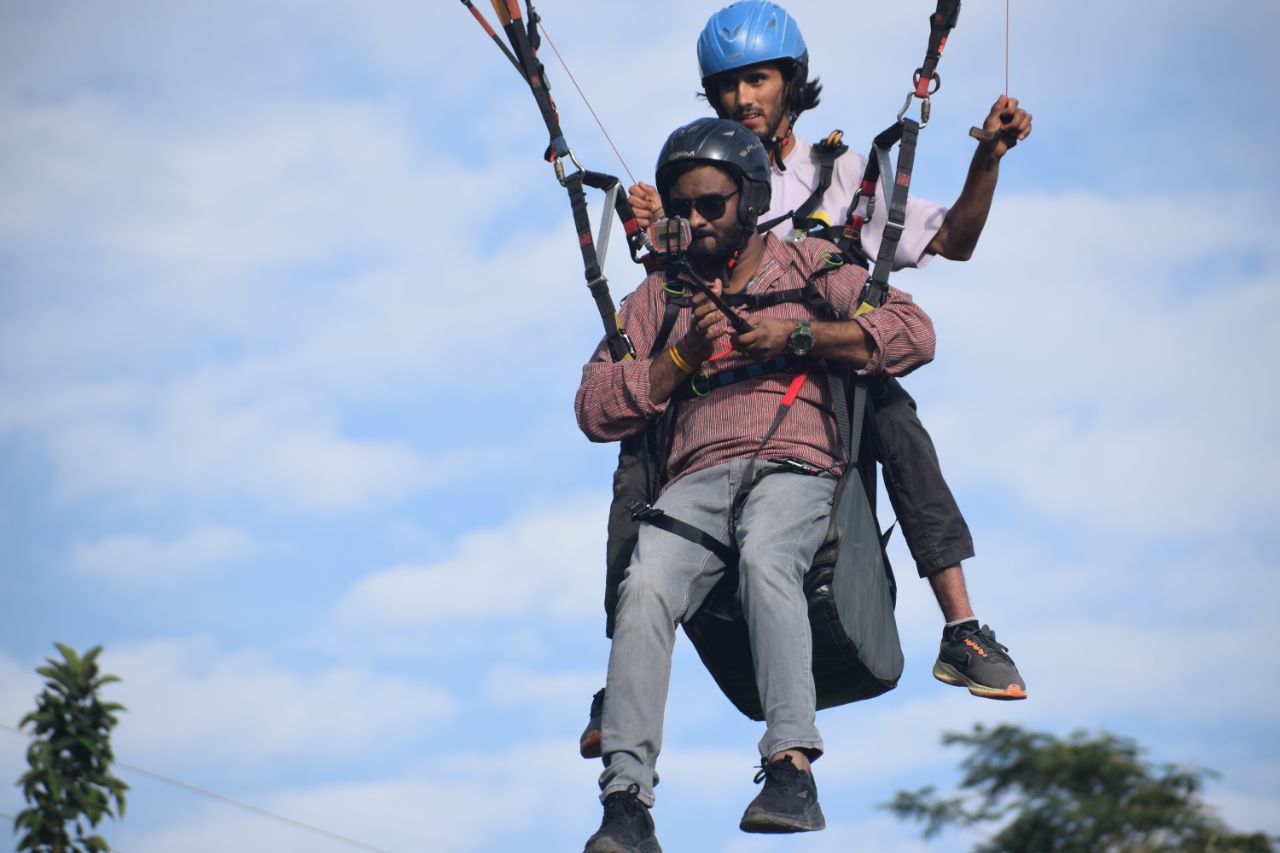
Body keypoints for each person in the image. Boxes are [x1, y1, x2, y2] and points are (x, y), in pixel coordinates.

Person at [580, 0, 1031, 761]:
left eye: (756, 80)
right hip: (721, 391)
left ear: (789, 82)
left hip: (824, 372)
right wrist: (657, 237)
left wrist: (986, 157)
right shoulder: (701, 179)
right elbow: (672, 299)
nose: (741, 100)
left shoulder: (840, 172)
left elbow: (952, 239)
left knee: (891, 405)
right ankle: (617, 665)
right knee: (640, 454)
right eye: (725, 87)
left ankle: (961, 624)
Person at [576, 117, 936, 849]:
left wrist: (799, 336)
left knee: (770, 558)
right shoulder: (659, 299)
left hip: (795, 461)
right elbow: (592, 403)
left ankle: (790, 764)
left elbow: (912, 331)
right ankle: (626, 803)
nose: (697, 222)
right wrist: (676, 364)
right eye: (683, 210)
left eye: (713, 205)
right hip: (696, 477)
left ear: (747, 200)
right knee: (644, 585)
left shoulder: (808, 267)